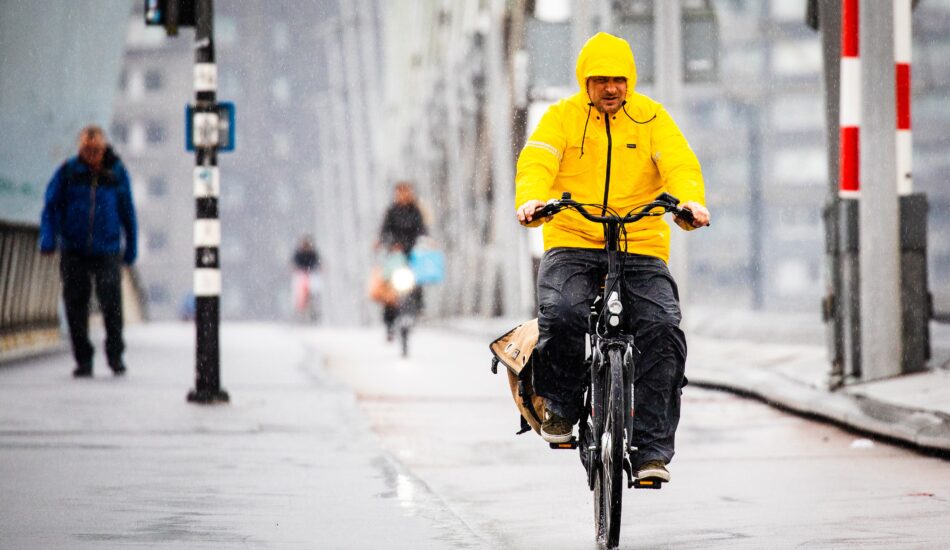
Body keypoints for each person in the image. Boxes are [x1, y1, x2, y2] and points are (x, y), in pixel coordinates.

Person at [515, 33, 710, 483]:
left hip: (639, 241)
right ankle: (561, 406)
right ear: (585, 80)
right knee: (561, 313)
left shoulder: (651, 119)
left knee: (662, 327)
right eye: (600, 79)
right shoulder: (561, 119)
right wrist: (532, 200)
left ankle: (651, 449)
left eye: (618, 80)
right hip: (573, 235)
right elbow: (536, 162)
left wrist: (690, 203)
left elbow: (679, 163)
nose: (610, 89)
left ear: (630, 81)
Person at [40, 125, 138, 378]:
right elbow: (51, 207)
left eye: (96, 149)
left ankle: (115, 355)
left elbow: (128, 212)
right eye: (87, 150)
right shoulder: (68, 172)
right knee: (75, 305)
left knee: (112, 304)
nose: (92, 154)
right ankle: (83, 359)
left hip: (107, 249)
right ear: (80, 149)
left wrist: (131, 248)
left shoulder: (116, 173)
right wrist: (48, 240)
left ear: (104, 148)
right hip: (74, 249)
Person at [376, 181, 427, 340]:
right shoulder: (391, 212)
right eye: (401, 192)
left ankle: (417, 310)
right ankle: (389, 324)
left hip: (412, 255)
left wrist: (424, 242)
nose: (404, 195)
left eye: (406, 192)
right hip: (395, 256)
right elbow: (384, 232)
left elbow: (423, 230)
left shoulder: (416, 211)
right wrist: (389, 244)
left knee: (417, 283)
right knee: (389, 291)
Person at [291, 235, 322, 321]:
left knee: (315, 288)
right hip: (301, 275)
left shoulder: (313, 254)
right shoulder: (299, 254)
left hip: (311, 274)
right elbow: (293, 264)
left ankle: (315, 305)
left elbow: (318, 263)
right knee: (298, 289)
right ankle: (298, 307)